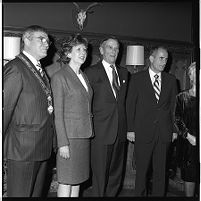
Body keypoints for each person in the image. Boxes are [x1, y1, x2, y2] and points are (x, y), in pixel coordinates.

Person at [4, 25, 56, 197]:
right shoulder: (16, 68)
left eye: (47, 40)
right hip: (23, 149)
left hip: (41, 146)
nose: (46, 43)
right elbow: (4, 110)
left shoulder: (39, 70)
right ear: (26, 40)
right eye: (41, 39)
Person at [126, 46, 178, 196]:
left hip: (164, 133)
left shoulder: (171, 80)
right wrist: (130, 129)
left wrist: (174, 130)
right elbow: (130, 105)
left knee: (161, 173)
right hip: (143, 133)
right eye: (161, 58)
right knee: (141, 172)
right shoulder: (137, 79)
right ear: (151, 59)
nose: (164, 62)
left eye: (166, 59)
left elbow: (174, 107)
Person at [85, 37, 129, 197]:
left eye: (116, 48)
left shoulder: (124, 73)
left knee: (115, 175)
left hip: (120, 132)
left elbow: (125, 104)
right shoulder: (91, 72)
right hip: (100, 132)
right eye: (110, 47)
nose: (114, 51)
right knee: (99, 176)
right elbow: (85, 103)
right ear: (101, 50)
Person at [51, 34, 93, 197]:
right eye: (78, 49)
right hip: (69, 138)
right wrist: (62, 143)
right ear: (68, 53)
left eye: (85, 49)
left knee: (78, 180)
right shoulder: (60, 77)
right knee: (66, 180)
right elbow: (58, 114)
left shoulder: (83, 76)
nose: (83, 53)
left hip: (83, 136)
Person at [174, 62, 198, 197]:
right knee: (190, 177)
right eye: (195, 73)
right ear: (190, 76)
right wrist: (189, 136)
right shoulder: (182, 97)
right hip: (189, 145)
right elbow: (177, 120)